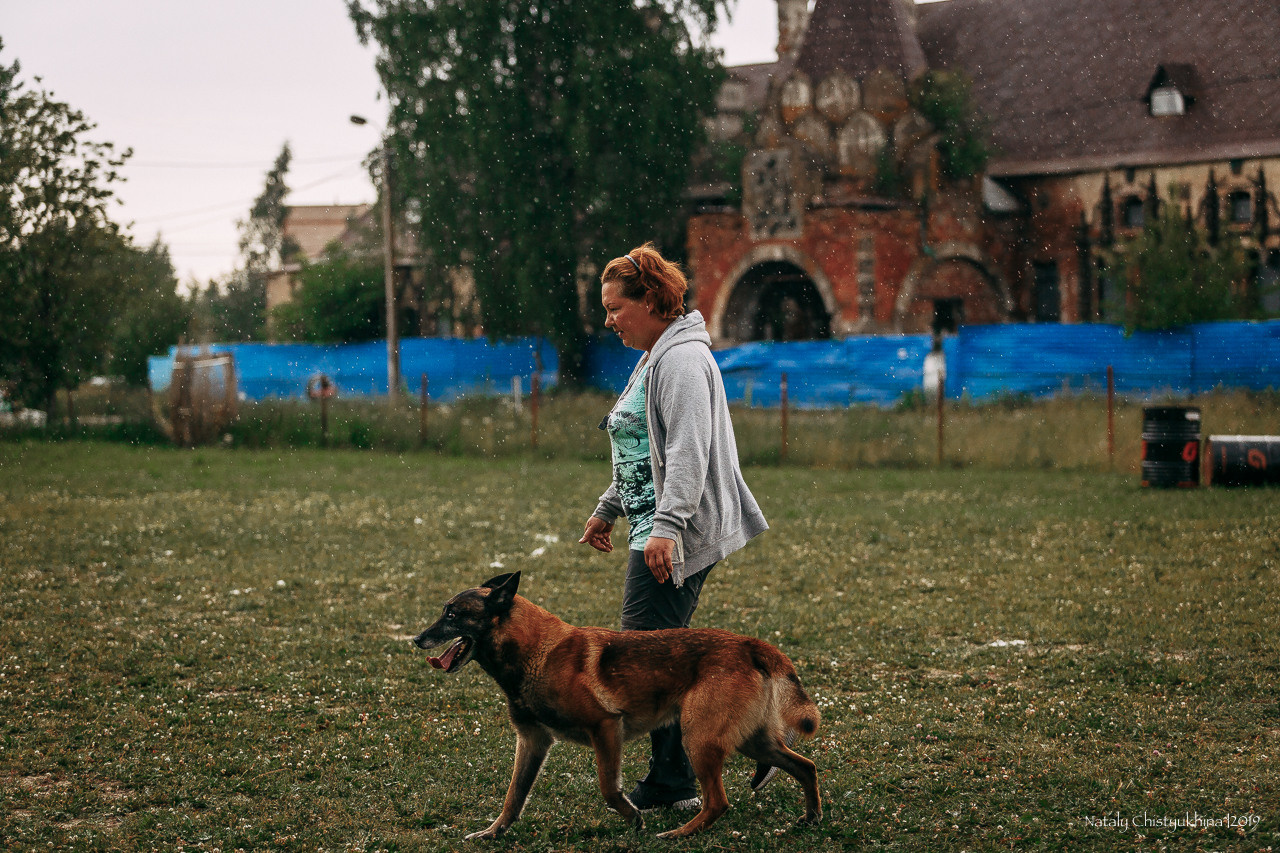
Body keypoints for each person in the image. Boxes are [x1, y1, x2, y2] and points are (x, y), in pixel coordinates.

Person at [578, 242, 769, 811]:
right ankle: (756, 744)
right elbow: (642, 448)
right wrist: (608, 507)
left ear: (652, 300)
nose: (609, 320)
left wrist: (666, 527)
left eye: (616, 308)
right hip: (653, 528)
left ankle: (674, 783)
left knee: (647, 663)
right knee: (654, 658)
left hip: (671, 535)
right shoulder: (657, 354)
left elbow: (687, 451)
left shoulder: (681, 360)